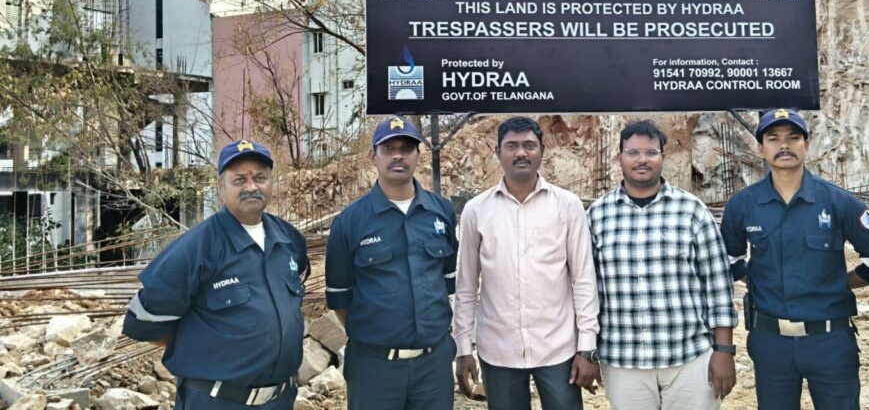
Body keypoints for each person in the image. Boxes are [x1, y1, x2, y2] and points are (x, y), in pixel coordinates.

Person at [720, 109, 869, 410]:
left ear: (807, 144)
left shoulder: (838, 202)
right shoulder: (743, 205)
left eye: (793, 137)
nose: (783, 145)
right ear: (761, 148)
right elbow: (730, 259)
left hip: (829, 341)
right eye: (773, 139)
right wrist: (761, 279)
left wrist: (841, 284)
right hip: (770, 342)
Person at [123, 139, 309, 409]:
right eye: (239, 180)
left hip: (280, 400)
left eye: (260, 177)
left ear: (271, 182)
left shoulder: (289, 239)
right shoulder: (196, 248)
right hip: (217, 400)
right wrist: (205, 345)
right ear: (221, 187)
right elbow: (145, 323)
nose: (251, 187)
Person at [587, 119, 738, 410]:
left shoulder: (692, 210)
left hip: (689, 356)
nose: (642, 159)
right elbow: (587, 289)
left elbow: (718, 286)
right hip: (623, 359)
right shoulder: (597, 215)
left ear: (663, 158)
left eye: (651, 152)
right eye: (632, 152)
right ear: (619, 158)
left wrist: (724, 351)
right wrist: (588, 352)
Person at [454, 116, 600, 410]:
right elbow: (466, 285)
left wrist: (587, 347)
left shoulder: (567, 205)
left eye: (529, 145)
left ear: (542, 150)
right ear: (498, 152)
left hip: (558, 349)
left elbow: (583, 279)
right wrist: (462, 347)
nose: (521, 153)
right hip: (498, 351)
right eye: (512, 146)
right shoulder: (476, 210)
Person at [325, 115, 458, 410]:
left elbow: (447, 282)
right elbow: (340, 299)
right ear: (373, 155)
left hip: (433, 368)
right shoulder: (350, 222)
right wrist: (381, 337)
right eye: (389, 148)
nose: (398, 155)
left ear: (417, 155)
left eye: (407, 148)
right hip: (375, 368)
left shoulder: (441, 213)